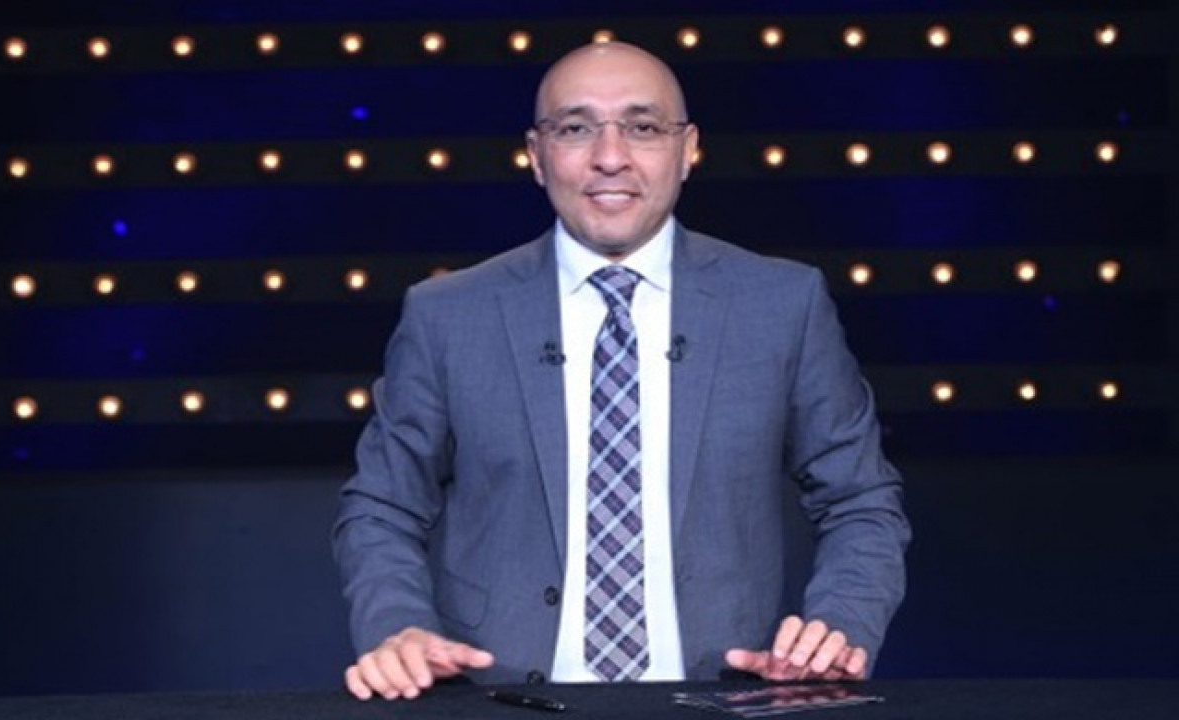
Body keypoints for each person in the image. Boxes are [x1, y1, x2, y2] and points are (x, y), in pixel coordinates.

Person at [333, 41, 910, 701]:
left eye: (643, 128)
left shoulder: (783, 304)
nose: (611, 157)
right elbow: (382, 506)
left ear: (688, 149)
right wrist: (398, 627)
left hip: (720, 699)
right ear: (536, 155)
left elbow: (860, 499)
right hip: (501, 700)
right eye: (576, 129)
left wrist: (838, 625)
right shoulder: (448, 314)